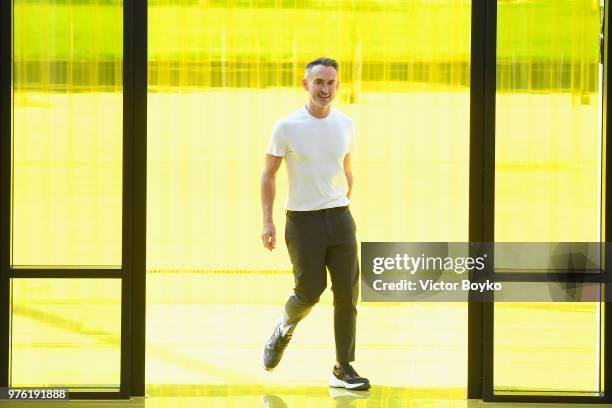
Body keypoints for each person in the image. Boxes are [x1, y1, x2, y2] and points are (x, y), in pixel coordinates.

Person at [260, 57, 370, 391]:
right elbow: (268, 174)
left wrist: (341, 200)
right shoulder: (286, 127)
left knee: (347, 295)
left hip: (340, 218)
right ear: (305, 84)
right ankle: (284, 327)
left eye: (331, 83)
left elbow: (346, 168)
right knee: (309, 292)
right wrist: (267, 221)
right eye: (319, 82)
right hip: (303, 222)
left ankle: (343, 367)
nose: (325, 89)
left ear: (338, 85)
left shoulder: (345, 124)